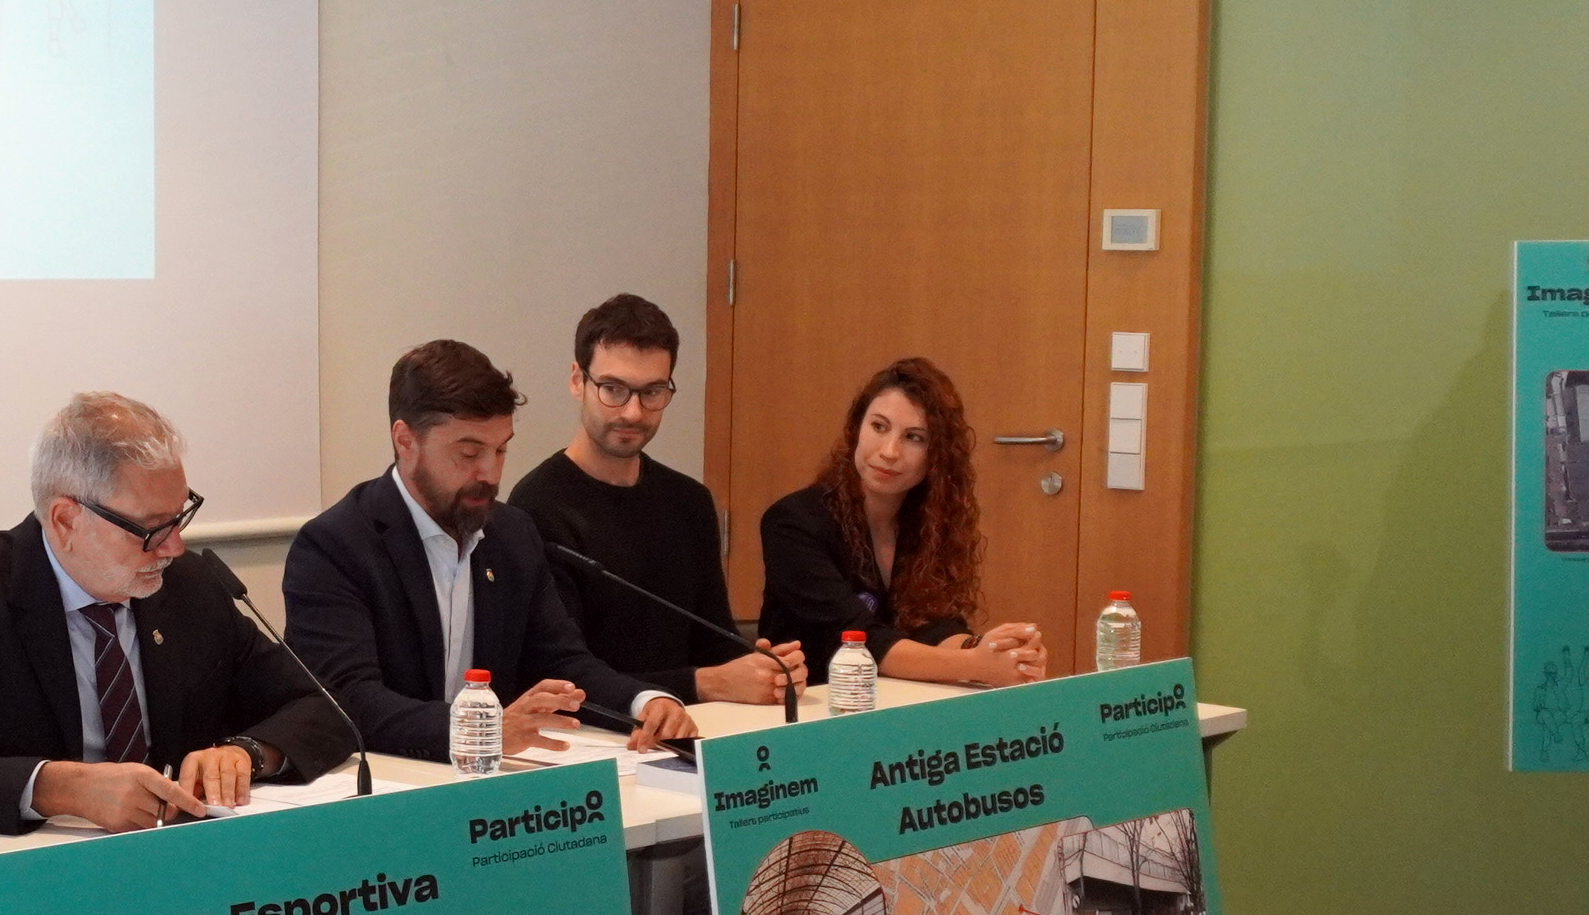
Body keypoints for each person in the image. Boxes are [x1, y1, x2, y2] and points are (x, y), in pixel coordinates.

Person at [0, 391, 356, 834]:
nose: (174, 547)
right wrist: (54, 787)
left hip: (182, 861)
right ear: (66, 520)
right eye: (151, 528)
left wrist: (247, 753)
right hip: (34, 878)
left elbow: (324, 707)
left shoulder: (190, 586)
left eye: (180, 516)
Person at [283, 340, 705, 762]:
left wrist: (645, 702)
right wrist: (479, 728)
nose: (490, 472)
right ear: (406, 441)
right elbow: (347, 700)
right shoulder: (335, 546)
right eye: (469, 453)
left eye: (501, 449)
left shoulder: (511, 533)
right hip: (391, 777)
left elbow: (562, 662)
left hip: (490, 778)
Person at [508, 294, 804, 709]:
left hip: (692, 726)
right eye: (613, 389)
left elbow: (714, 642)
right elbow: (563, 676)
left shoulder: (689, 501)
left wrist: (764, 671)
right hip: (594, 733)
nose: (633, 412)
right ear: (577, 381)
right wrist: (705, 683)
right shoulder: (537, 507)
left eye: (652, 391)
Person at [755, 357, 1050, 685]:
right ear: (856, 429)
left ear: (937, 456)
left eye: (914, 437)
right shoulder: (794, 521)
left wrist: (994, 649)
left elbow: (934, 624)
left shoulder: (927, 520)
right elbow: (861, 640)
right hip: (812, 701)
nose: (890, 451)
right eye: (879, 427)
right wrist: (975, 666)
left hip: (895, 700)